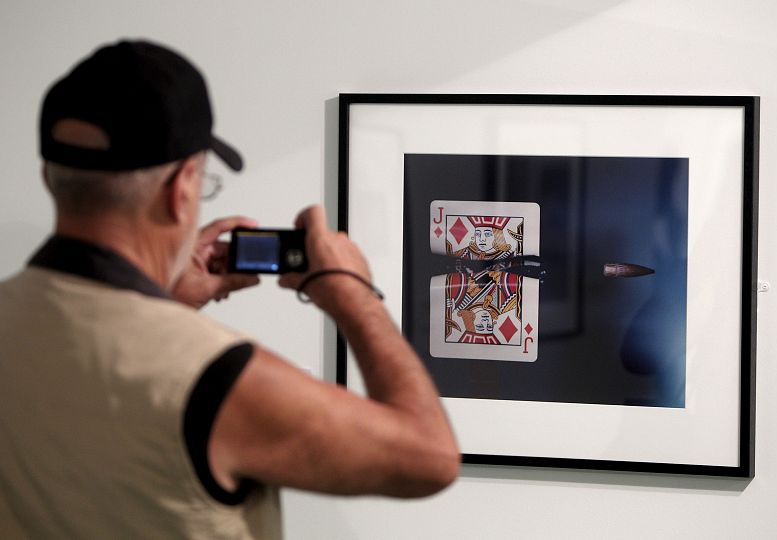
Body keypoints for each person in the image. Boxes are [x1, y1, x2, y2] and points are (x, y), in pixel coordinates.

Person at [0, 40, 459, 539]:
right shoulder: (215, 376)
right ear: (182, 190)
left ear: (49, 176)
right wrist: (352, 292)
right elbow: (429, 456)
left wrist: (166, 301)